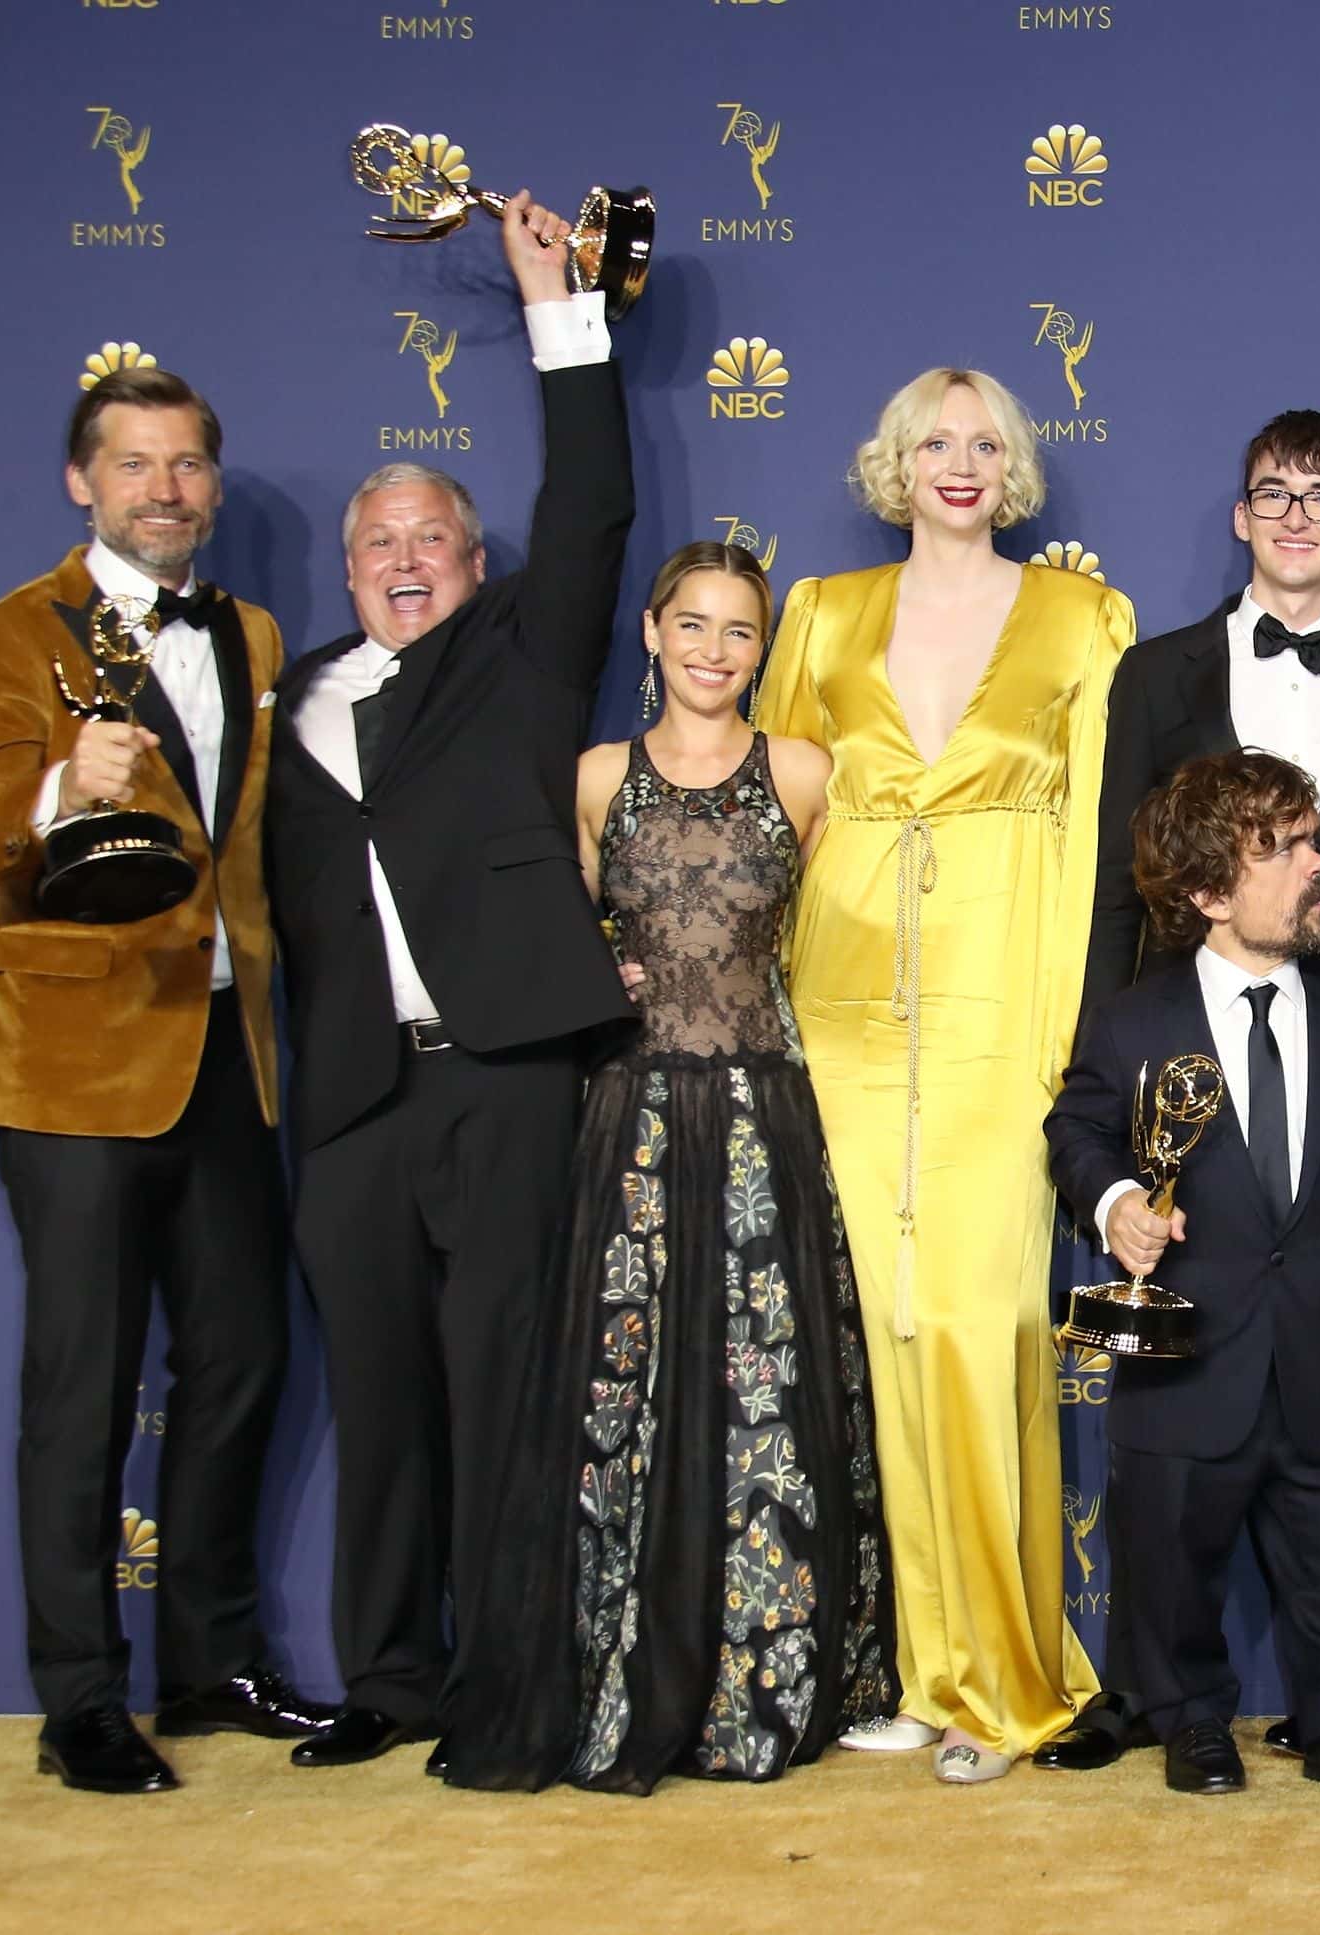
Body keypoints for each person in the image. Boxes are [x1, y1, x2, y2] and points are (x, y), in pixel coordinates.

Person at [267, 193, 638, 1769]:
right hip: (352, 1098)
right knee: (380, 1398)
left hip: (503, 1072)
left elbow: (596, 503)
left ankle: (506, 1680)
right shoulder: (287, 698)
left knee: (504, 1390)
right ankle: (390, 1676)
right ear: (348, 570)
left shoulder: (519, 657)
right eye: (380, 543)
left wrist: (561, 310)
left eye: (433, 539)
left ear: (476, 565)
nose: (405, 559)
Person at [0, 366, 335, 1793]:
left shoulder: (252, 630)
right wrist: (61, 780)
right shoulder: (8, 634)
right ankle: (82, 1701)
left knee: (242, 1359)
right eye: (134, 464)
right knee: (85, 1384)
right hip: (74, 1065)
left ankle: (212, 1662)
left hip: (225, 1050)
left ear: (213, 485)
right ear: (80, 483)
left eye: (186, 465)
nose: (165, 489)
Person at [439, 542, 897, 1792]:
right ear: (650, 633)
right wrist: (598, 973)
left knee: (764, 1396)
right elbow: (545, 939)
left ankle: (766, 1680)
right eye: (690, 624)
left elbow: (845, 945)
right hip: (632, 1118)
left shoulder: (804, 771)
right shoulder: (596, 777)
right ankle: (623, 1672)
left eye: (739, 631)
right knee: (627, 1394)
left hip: (764, 1116)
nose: (713, 650)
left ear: (763, 649)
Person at [754, 367, 1129, 1783]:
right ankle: (918, 1667)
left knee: (979, 1331)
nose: (958, 463)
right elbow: (774, 814)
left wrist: (1071, 1034)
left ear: (1014, 465)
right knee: (882, 1337)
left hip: (1000, 1013)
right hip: (842, 1015)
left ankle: (1006, 1679)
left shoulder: (1082, 617)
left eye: (983, 442)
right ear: (895, 463)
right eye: (932, 442)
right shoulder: (820, 612)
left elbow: (1096, 843)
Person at [1045, 751, 1320, 1797]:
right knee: (1172, 1560)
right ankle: (1188, 1719)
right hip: (1188, 1361)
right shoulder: (1135, 1022)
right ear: (1208, 893)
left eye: (1315, 839)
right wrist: (1115, 1202)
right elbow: (1078, 1128)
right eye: (1285, 848)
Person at [1081, 410, 1320, 1007]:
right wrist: (1101, 1037)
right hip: (1182, 1006)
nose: (1296, 518)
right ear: (1243, 518)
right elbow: (1118, 876)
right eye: (1274, 495)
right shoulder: (1154, 672)